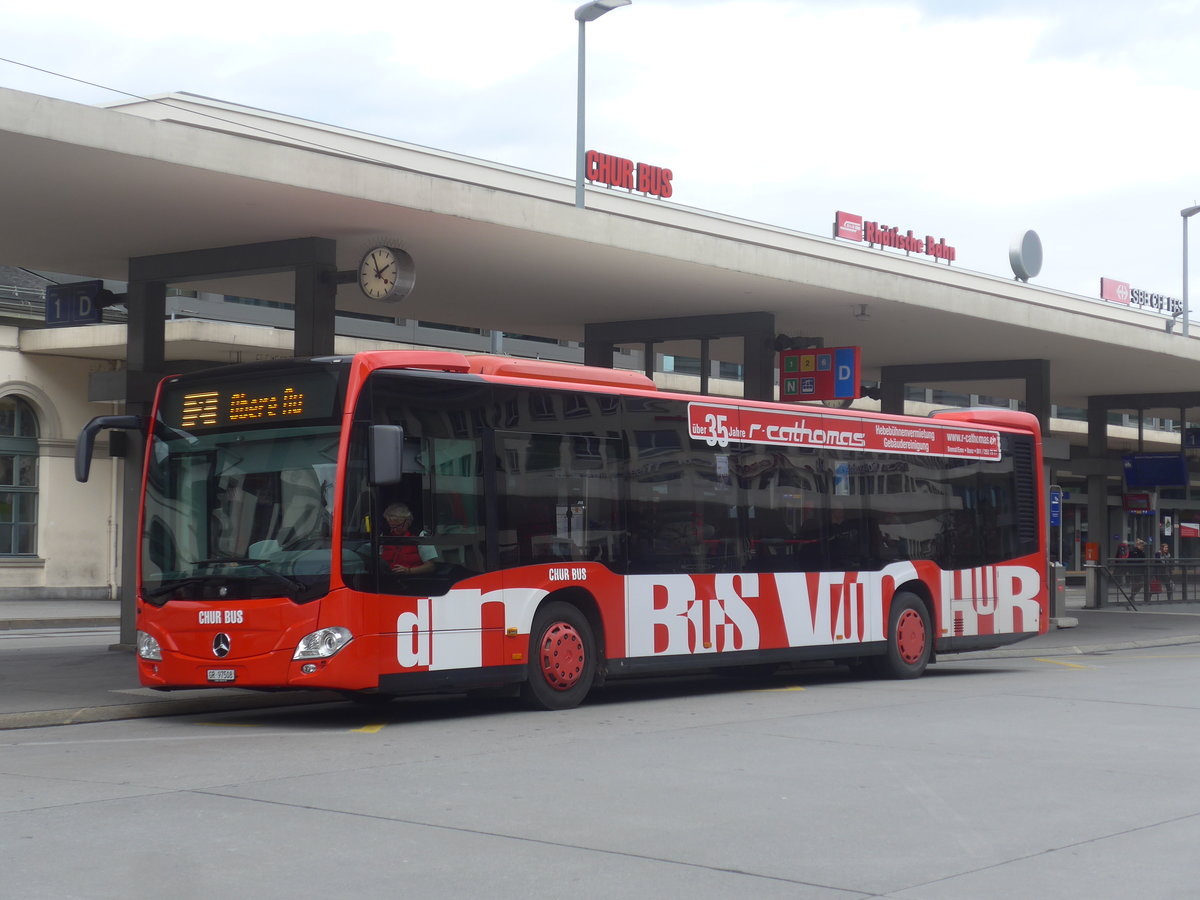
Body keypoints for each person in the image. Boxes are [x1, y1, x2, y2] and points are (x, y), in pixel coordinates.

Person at [380, 502, 437, 576]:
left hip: (412, 579)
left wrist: (409, 571)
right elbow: (379, 559)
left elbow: (431, 566)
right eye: (391, 526)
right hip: (387, 578)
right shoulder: (384, 535)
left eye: (398, 526)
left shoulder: (420, 535)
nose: (394, 530)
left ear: (407, 521)